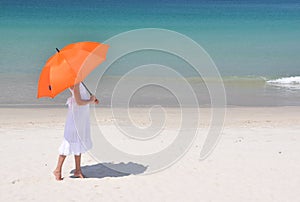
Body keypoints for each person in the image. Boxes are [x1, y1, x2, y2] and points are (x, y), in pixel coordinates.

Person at [53, 82, 99, 180]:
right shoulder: (75, 82)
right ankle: (58, 169)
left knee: (78, 140)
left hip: (81, 115)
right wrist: (90, 101)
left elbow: (82, 97)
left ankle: (78, 170)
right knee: (70, 140)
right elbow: (79, 101)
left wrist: (91, 99)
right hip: (76, 115)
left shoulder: (79, 80)